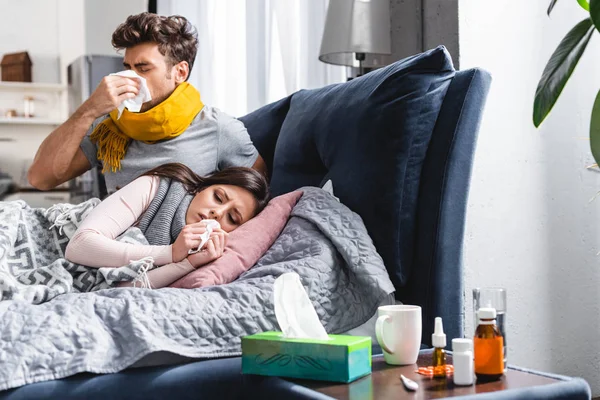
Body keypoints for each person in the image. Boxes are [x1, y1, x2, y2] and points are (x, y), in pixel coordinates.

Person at [27, 12, 267, 195]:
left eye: (143, 68)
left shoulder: (218, 128)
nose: (130, 77)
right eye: (127, 68)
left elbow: (258, 193)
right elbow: (41, 179)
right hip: (111, 247)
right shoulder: (108, 127)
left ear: (180, 72)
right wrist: (89, 110)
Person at [65, 163, 270, 289]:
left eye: (232, 218)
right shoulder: (157, 187)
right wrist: (171, 252)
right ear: (203, 187)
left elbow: (122, 289)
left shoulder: (203, 252)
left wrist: (185, 264)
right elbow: (78, 247)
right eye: (218, 197)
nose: (218, 212)